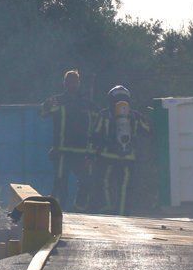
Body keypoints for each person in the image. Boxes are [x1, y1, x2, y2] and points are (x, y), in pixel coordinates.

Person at [40, 70, 96, 211]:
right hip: (62, 152)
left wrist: (91, 152)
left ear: (79, 83)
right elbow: (42, 113)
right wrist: (48, 105)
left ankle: (79, 210)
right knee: (60, 185)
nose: (72, 84)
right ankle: (56, 215)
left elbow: (97, 125)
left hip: (82, 153)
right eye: (69, 81)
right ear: (64, 83)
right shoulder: (57, 100)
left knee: (86, 183)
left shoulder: (86, 103)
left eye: (75, 81)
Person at [91, 86, 151, 215]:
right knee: (125, 185)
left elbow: (95, 134)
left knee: (104, 182)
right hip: (128, 157)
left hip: (106, 156)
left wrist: (94, 152)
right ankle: (123, 211)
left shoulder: (104, 114)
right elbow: (148, 131)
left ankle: (107, 208)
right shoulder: (135, 116)